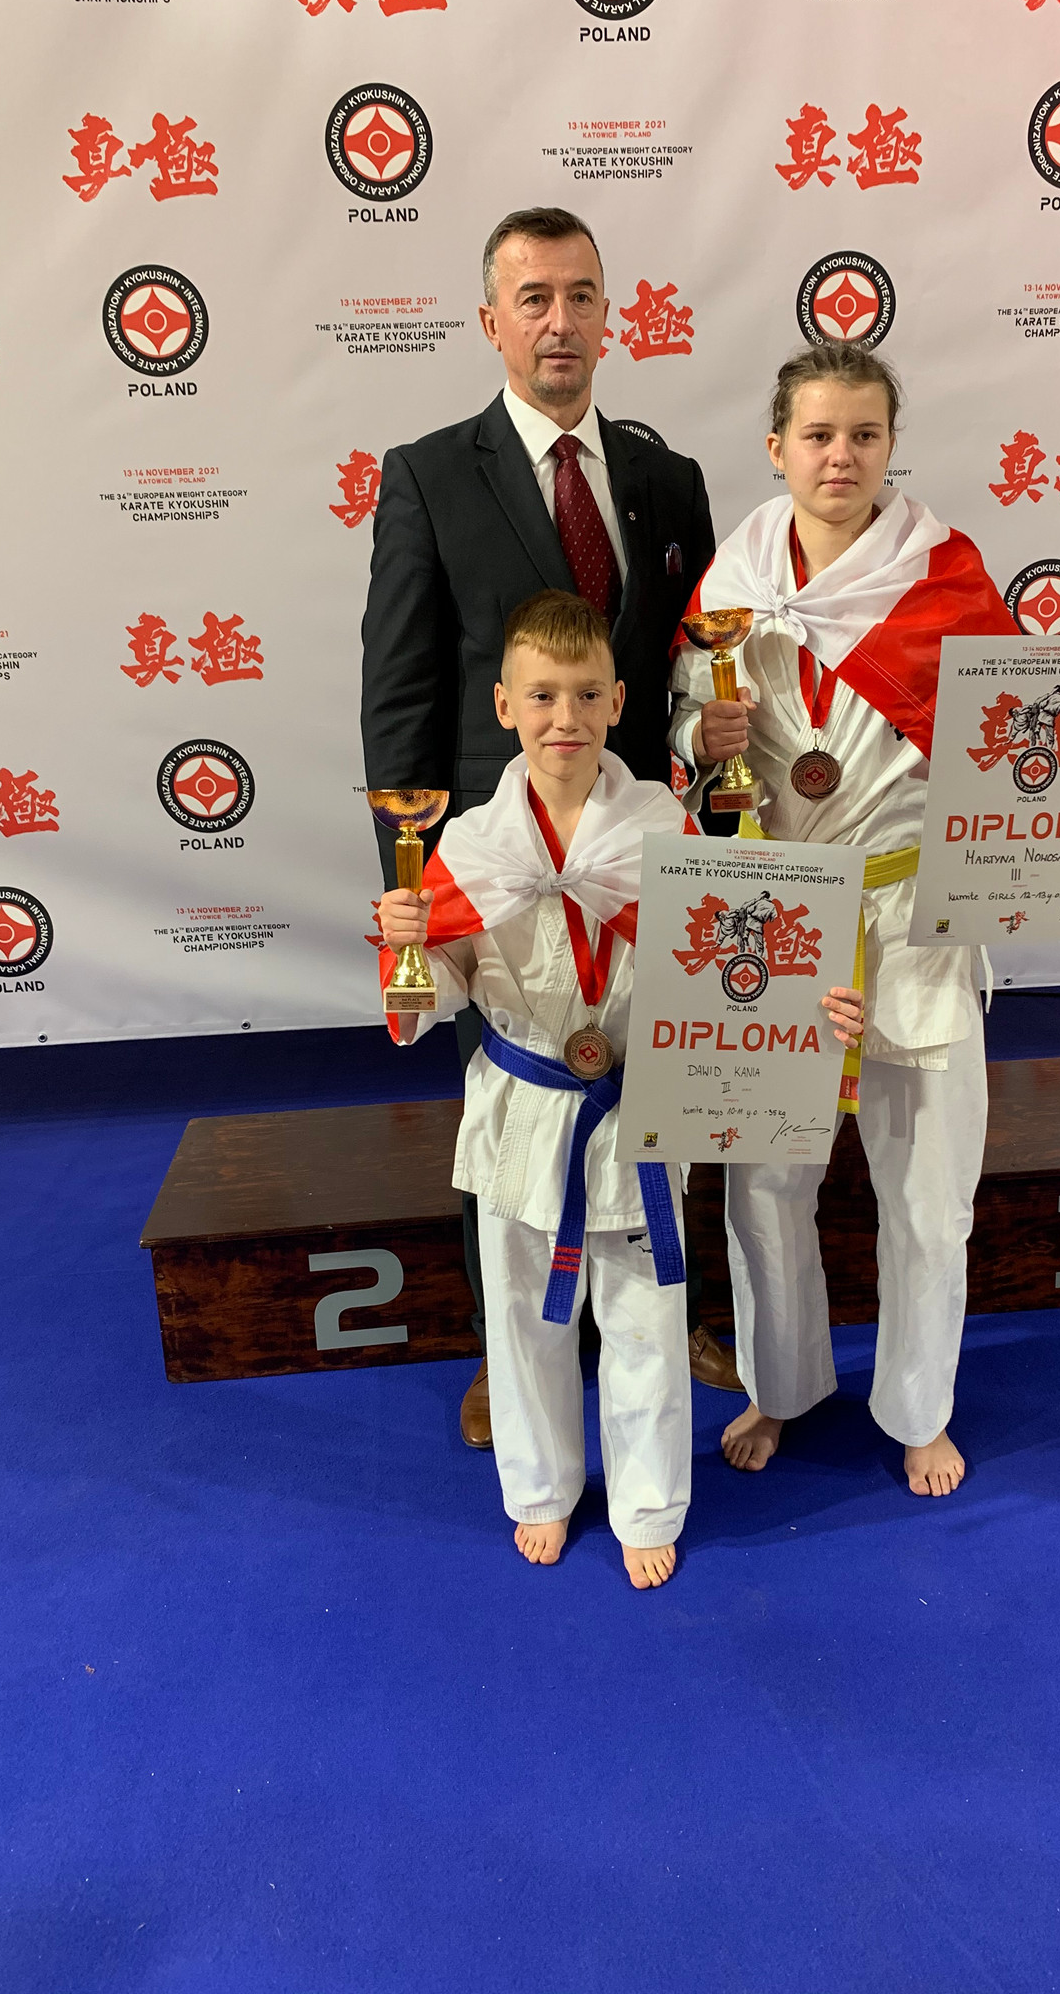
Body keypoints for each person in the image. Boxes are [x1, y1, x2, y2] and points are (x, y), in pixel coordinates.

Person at [670, 341, 1060, 1495]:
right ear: (776, 445)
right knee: (763, 1190)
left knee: (930, 1191)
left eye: (864, 435)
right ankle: (779, 1384)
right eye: (818, 434)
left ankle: (919, 1406)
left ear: (892, 445)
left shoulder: (944, 572)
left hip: (912, 911)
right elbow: (684, 737)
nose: (840, 456)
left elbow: (1025, 734)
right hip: (772, 916)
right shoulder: (730, 582)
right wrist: (702, 737)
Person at [361, 206, 735, 1448]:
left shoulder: (667, 477)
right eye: (533, 298)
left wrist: (710, 752)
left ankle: (669, 1302)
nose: (558, 320)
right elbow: (401, 692)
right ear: (492, 321)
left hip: (642, 848)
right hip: (502, 860)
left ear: (609, 316)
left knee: (663, 1081)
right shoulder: (427, 473)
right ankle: (508, 1342)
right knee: (514, 1096)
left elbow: (691, 670)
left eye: (580, 295)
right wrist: (417, 889)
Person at [376, 591, 694, 1587]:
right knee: (524, 1321)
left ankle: (648, 1499)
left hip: (636, 1105)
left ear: (620, 702)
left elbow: (723, 960)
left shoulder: (666, 825)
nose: (567, 716)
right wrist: (411, 949)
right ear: (504, 705)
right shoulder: (468, 846)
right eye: (544, 694)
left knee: (646, 1320)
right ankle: (542, 1489)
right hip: (524, 1108)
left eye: (587, 693)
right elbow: (441, 991)